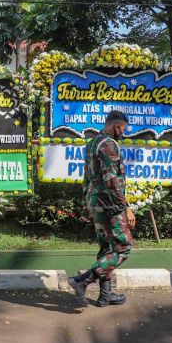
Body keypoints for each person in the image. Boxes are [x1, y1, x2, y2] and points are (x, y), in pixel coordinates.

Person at [68, 110, 136, 307]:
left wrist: (85, 208)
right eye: (123, 129)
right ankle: (83, 280)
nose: (123, 132)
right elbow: (112, 180)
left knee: (107, 248)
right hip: (110, 204)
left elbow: (87, 178)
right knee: (124, 247)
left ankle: (106, 295)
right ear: (117, 126)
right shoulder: (108, 145)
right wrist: (126, 207)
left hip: (96, 203)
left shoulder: (92, 144)